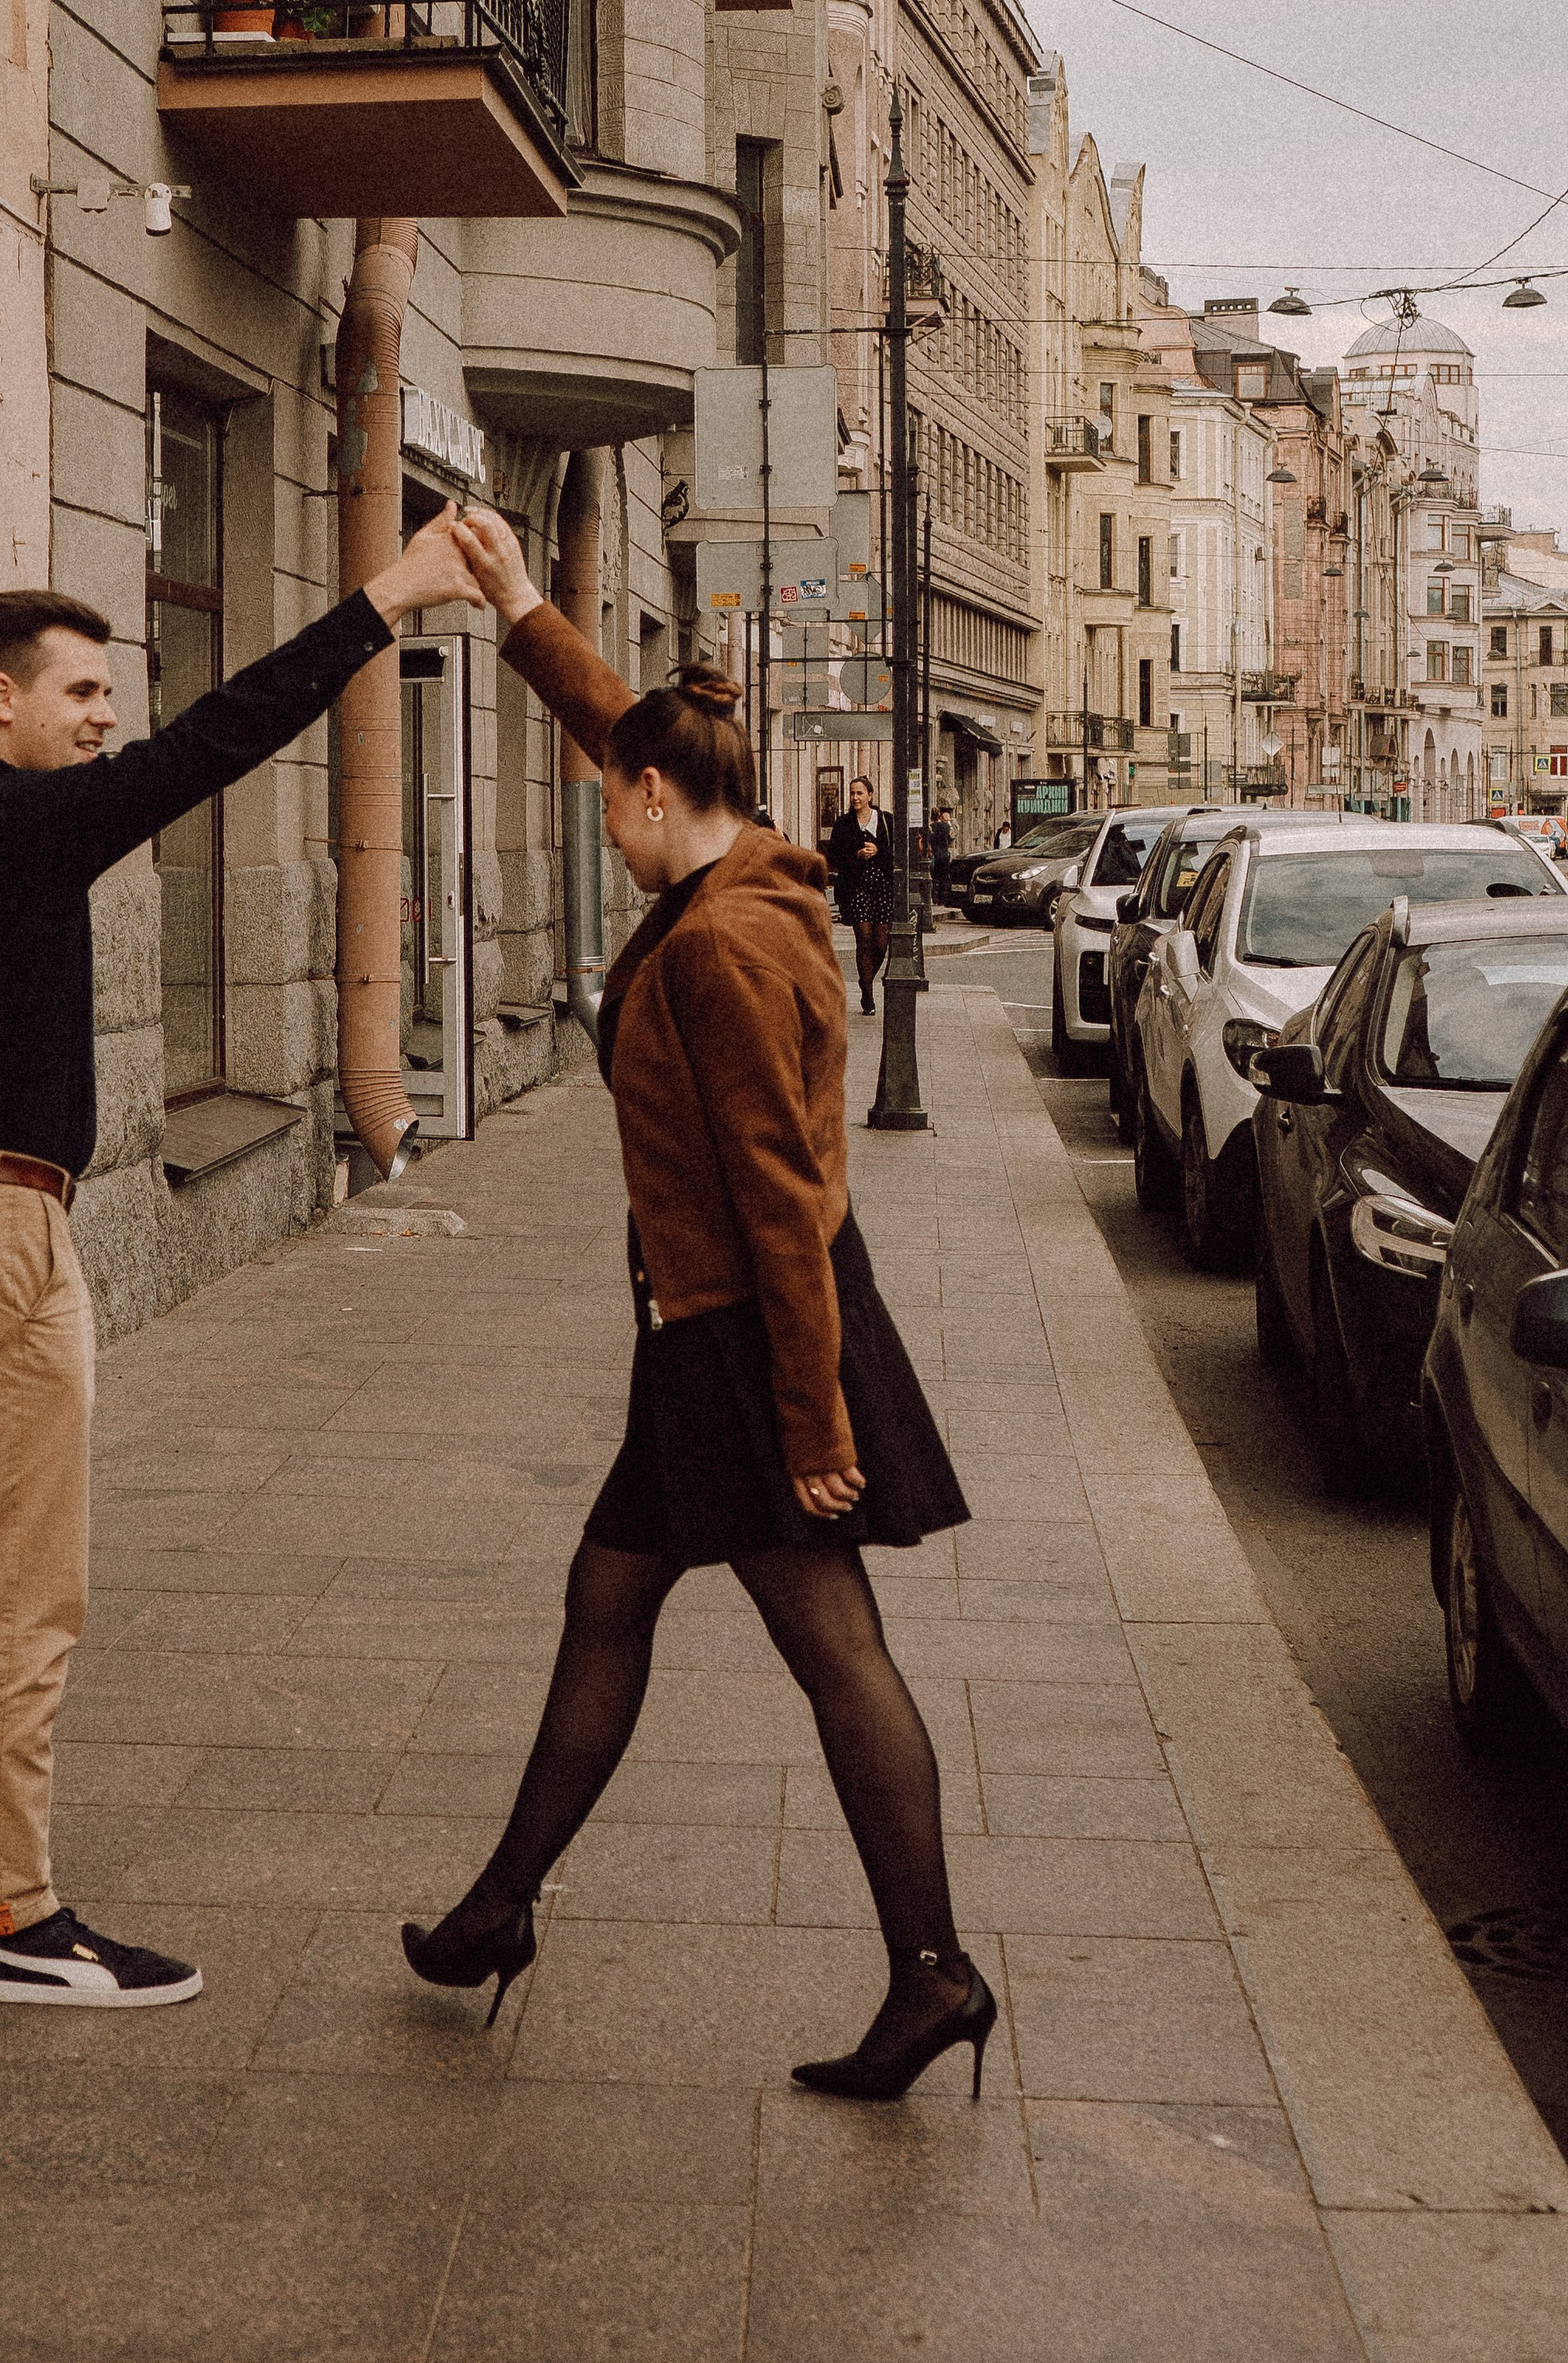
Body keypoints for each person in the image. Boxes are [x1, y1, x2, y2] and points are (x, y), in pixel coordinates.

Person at [0, 512, 484, 2006]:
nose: (107, 719)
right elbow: (214, 747)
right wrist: (386, 598)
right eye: (83, 693)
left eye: (110, 696)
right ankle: (11, 1920)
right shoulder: (14, 824)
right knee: (19, 1593)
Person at [400, 509, 987, 2103]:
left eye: (612, 802)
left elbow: (780, 1199)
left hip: (751, 1336)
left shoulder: (722, 946)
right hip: (711, 1333)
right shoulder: (755, 858)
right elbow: (624, 721)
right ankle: (497, 1909)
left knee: (833, 1648)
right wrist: (521, 605)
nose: (606, 823)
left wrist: (815, 1427)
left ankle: (933, 1974)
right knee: (608, 1594)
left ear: (658, 799)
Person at [822, 773, 895, 1015]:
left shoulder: (886, 820)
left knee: (881, 943)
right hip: (856, 888)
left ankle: (865, 980)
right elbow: (834, 856)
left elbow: (898, 853)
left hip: (882, 888)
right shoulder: (843, 824)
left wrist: (878, 850)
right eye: (852, 793)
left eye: (860, 793)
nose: (855, 797)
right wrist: (857, 855)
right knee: (864, 938)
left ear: (870, 796)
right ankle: (868, 995)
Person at [929, 802, 955, 909]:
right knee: (944, 877)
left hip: (935, 855)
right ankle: (942, 900)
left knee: (934, 878)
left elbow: (929, 841)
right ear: (939, 815)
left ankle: (934, 897)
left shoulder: (931, 828)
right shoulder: (946, 827)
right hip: (944, 855)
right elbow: (949, 839)